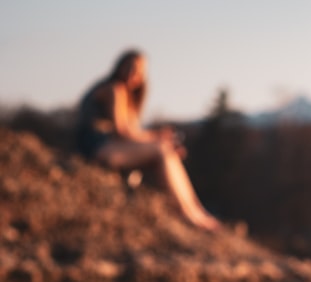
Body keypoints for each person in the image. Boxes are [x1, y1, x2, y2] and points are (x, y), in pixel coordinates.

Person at [75, 49, 220, 230]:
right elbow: (123, 132)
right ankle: (186, 213)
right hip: (96, 149)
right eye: (129, 67)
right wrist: (158, 136)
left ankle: (196, 211)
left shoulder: (125, 97)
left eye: (138, 71)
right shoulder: (114, 89)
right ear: (119, 67)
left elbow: (131, 133)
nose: (132, 73)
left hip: (108, 148)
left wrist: (159, 140)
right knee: (161, 150)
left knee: (166, 151)